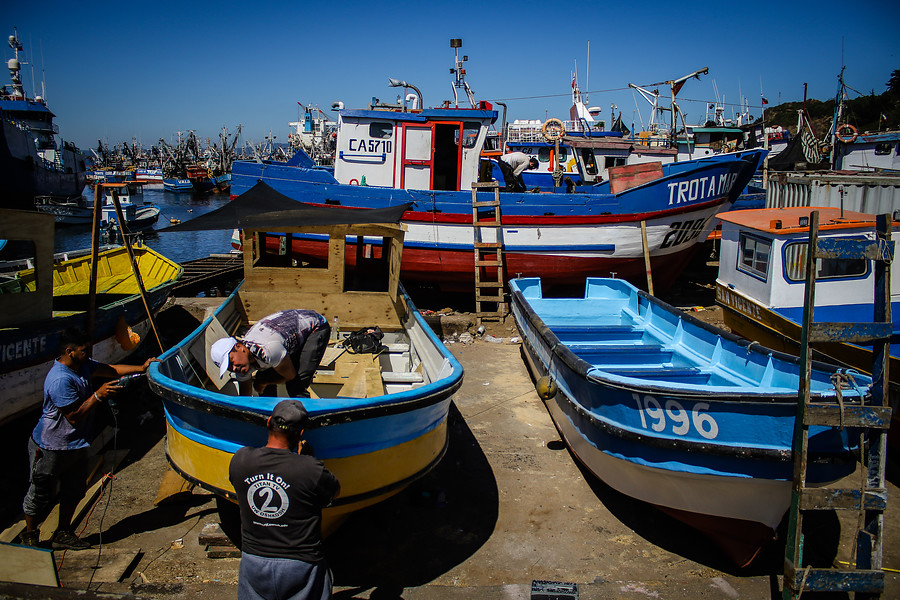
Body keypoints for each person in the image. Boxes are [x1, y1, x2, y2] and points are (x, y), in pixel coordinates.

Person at [20, 327, 156, 550]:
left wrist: (140, 367)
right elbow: (74, 416)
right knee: (39, 493)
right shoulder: (60, 380)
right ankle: (30, 534)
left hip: (75, 444)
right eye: (84, 350)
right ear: (70, 351)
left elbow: (110, 369)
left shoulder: (82, 365)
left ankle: (63, 532)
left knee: (74, 490)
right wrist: (98, 395)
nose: (89, 353)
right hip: (50, 446)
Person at [229, 399, 340, 600]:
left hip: (254, 560)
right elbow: (333, 492)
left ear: (268, 421)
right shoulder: (310, 469)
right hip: (301, 564)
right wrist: (307, 460)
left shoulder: (241, 459)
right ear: (301, 433)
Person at [211, 310, 330, 398]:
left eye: (232, 362)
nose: (234, 368)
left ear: (238, 347)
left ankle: (305, 422)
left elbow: (290, 376)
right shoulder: (241, 365)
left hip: (315, 327)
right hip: (285, 339)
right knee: (262, 377)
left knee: (295, 385)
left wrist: (263, 382)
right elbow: (244, 399)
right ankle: (270, 415)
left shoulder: (268, 350)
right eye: (229, 368)